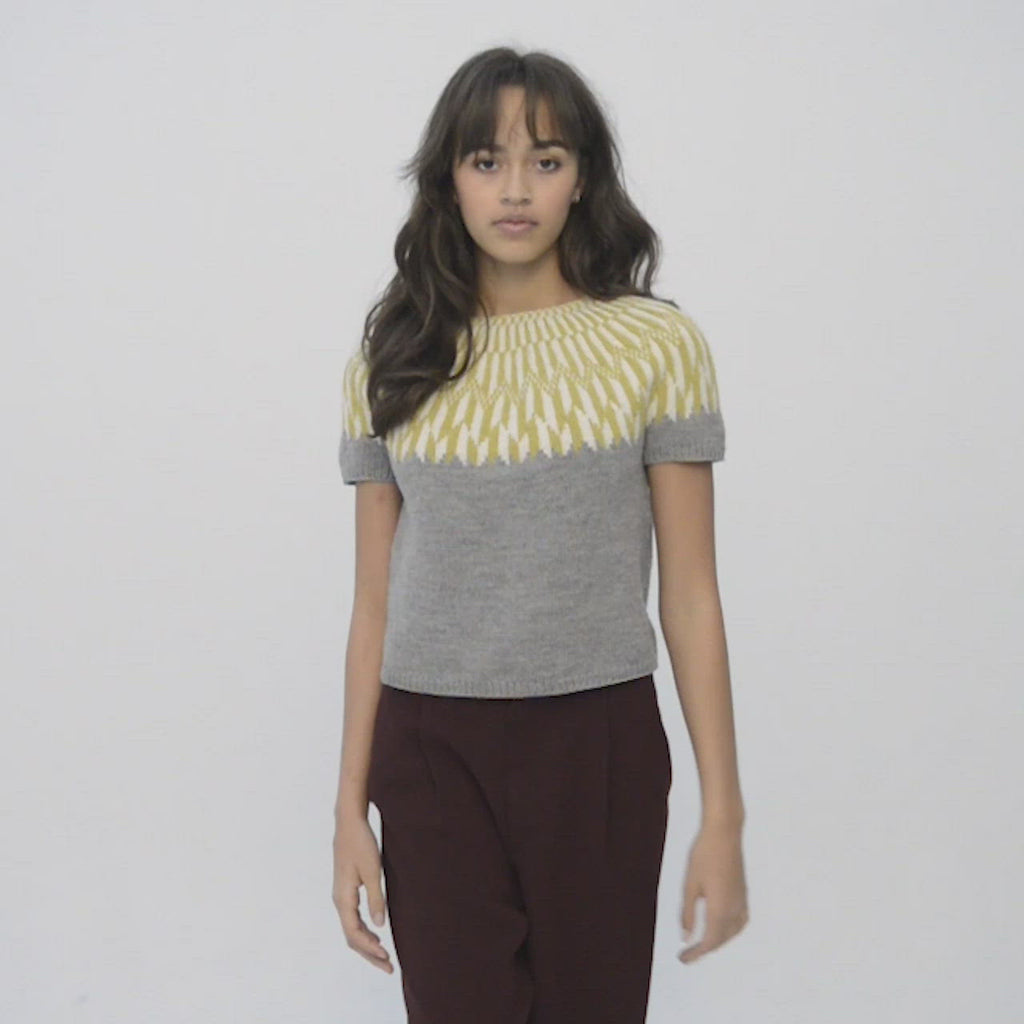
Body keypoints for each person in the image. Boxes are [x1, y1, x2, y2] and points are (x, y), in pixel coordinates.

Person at [331, 45, 748, 1024]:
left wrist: (724, 812)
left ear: (583, 178)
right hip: (431, 752)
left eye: (545, 160)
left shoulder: (657, 348)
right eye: (487, 161)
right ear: (449, 179)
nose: (515, 189)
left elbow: (691, 594)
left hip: (596, 747)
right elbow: (374, 601)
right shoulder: (393, 356)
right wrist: (348, 805)